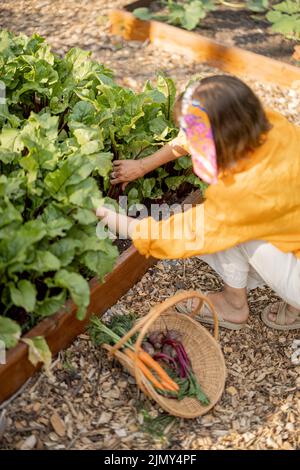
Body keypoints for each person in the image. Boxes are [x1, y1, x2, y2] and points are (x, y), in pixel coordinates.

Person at [97, 75, 300, 331]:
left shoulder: (242, 195)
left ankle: (235, 305)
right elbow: (197, 134)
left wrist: (103, 213)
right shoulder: (268, 125)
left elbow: (174, 235)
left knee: (226, 228)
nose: (190, 141)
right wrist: (142, 165)